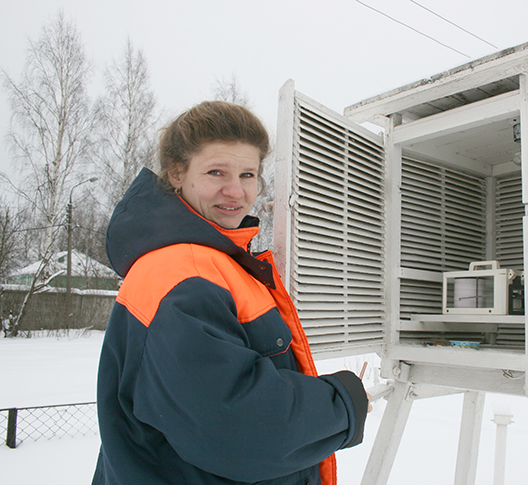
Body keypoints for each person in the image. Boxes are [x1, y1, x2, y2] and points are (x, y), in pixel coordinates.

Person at [93, 101, 369, 485]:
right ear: (177, 173)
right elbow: (243, 428)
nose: (235, 191)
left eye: (248, 174)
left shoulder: (214, 262)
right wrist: (345, 403)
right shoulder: (182, 272)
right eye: (216, 172)